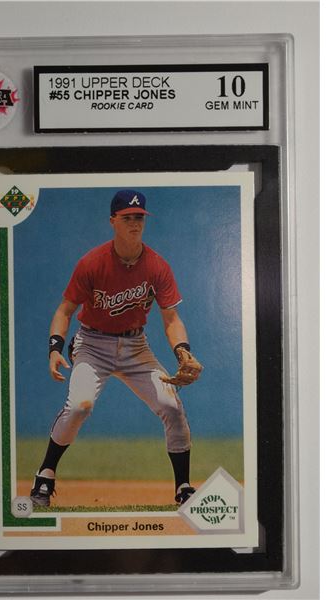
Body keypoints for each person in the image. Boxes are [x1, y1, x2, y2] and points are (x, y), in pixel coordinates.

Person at [30, 189, 202, 507]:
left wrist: (182, 350)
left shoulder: (157, 266)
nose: (135, 223)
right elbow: (64, 311)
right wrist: (55, 348)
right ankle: (45, 475)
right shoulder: (92, 263)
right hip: (92, 344)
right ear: (113, 221)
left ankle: (183, 487)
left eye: (139, 217)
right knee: (79, 406)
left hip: (136, 347)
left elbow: (171, 319)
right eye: (127, 217)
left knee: (171, 406)